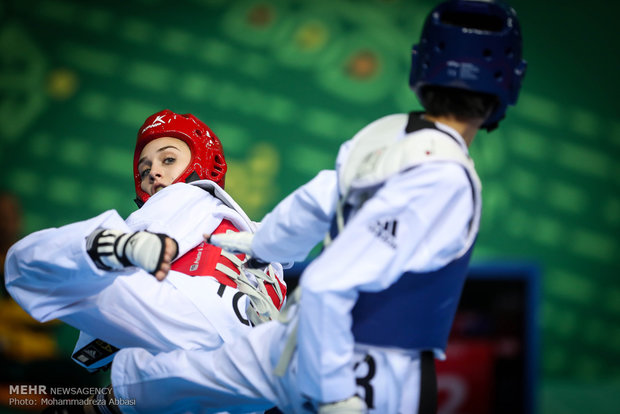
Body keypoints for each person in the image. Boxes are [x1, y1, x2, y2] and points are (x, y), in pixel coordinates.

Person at [109, 1, 527, 413]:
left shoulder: (385, 135)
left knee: (186, 375)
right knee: (196, 374)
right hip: (367, 369)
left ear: (422, 68)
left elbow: (314, 202)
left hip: (293, 339)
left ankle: (109, 400)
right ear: (508, 82)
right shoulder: (446, 177)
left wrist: (264, 245)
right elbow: (329, 281)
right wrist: (333, 392)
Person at [4, 110, 286, 411]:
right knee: (140, 385)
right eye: (144, 169)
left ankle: (110, 245)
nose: (152, 173)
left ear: (200, 164)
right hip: (244, 368)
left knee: (24, 264)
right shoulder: (257, 236)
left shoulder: (186, 195)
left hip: (190, 313)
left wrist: (125, 248)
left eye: (168, 160)